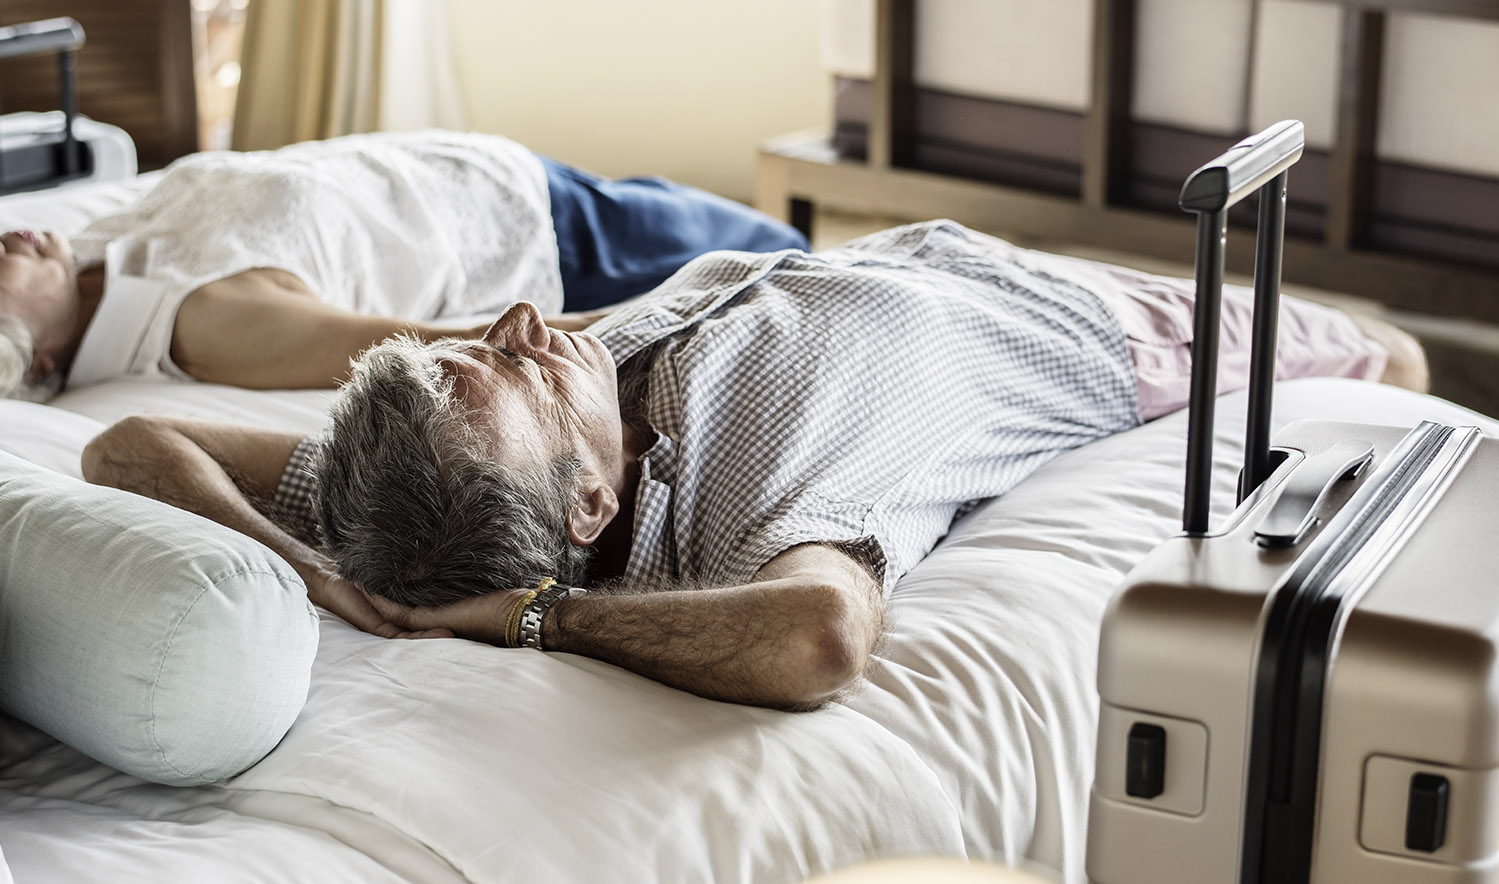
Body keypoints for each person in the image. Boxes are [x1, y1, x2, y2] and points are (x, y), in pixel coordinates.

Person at [82, 220, 1428, 711]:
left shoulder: (409, 483)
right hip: (1095, 330)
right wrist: (539, 619)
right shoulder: (782, 446)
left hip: (894, 263)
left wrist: (308, 564)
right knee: (1397, 360)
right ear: (591, 502)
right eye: (519, 368)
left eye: (469, 349)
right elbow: (817, 640)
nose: (514, 324)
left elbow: (133, 439)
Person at [0, 129, 807, 399]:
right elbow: (435, 342)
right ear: (37, 354)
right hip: (550, 238)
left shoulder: (94, 250)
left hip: (500, 176)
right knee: (786, 247)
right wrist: (688, 311)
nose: (5, 243)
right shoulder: (201, 325)